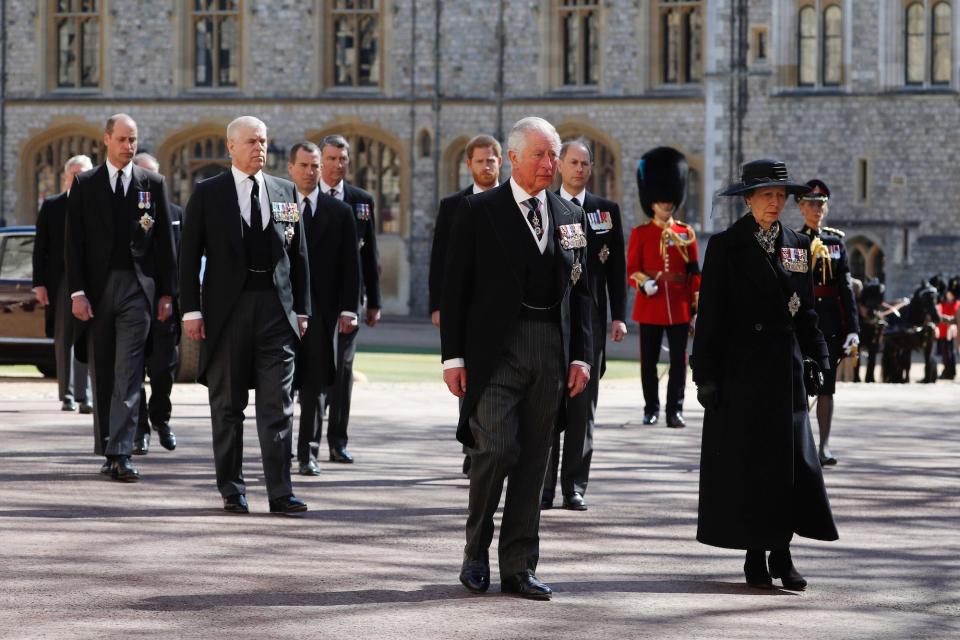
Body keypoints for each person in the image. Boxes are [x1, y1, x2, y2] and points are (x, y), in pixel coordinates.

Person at [441, 116, 593, 600]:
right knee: (497, 449)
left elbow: (583, 292)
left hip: (551, 349)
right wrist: (453, 358)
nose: (551, 165)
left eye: (554, 156)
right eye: (541, 156)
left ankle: (520, 566)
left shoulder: (570, 217)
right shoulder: (478, 211)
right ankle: (475, 552)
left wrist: (582, 357)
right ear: (513, 159)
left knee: (534, 460)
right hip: (495, 351)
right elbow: (456, 288)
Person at [692, 159, 837, 591]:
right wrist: (706, 376)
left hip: (786, 369)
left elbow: (806, 309)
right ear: (749, 199)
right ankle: (756, 553)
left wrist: (819, 357)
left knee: (790, 466)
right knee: (750, 466)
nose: (775, 203)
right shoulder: (726, 246)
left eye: (781, 196)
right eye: (766, 196)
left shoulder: (796, 244)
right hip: (742, 372)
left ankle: (783, 552)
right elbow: (711, 316)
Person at [179, 116, 310, 514]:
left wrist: (301, 309)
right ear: (230, 146)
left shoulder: (285, 190)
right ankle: (233, 490)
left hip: (275, 310)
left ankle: (280, 492)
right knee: (228, 405)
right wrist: (191, 310)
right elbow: (188, 257)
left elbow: (298, 255)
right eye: (252, 141)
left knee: (279, 404)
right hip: (227, 312)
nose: (260, 148)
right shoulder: (208, 193)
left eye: (264, 141)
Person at [64, 114, 178, 482]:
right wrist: (78, 292)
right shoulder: (85, 183)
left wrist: (166, 293)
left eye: (134, 140)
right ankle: (107, 446)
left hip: (137, 288)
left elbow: (164, 244)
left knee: (129, 372)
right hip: (97, 291)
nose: (129, 146)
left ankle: (122, 451)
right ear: (107, 140)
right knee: (103, 369)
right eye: (123, 139)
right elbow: (74, 244)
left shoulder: (152, 183)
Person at [542, 138, 626, 511]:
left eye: (585, 164)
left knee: (582, 406)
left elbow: (617, 270)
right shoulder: (545, 205)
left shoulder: (605, 212)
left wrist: (619, 316)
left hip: (589, 321)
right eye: (573, 162)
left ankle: (574, 485)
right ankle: (542, 487)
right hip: (551, 318)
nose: (579, 169)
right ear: (560, 165)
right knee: (545, 406)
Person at [428, 134, 503, 477]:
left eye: (491, 160)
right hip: (468, 309)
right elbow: (441, 259)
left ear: (500, 162)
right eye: (480, 160)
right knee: (468, 381)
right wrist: (438, 305)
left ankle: (495, 446)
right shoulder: (453, 206)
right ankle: (472, 446)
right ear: (468, 165)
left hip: (504, 308)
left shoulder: (513, 202)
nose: (486, 166)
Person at [287, 141, 360, 476]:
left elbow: (351, 265)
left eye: (315, 166)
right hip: (285, 310)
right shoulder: (282, 207)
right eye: (303, 166)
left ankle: (308, 452)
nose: (310, 172)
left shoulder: (340, 212)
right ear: (290, 168)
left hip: (323, 311)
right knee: (283, 384)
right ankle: (281, 448)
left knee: (316, 385)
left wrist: (349, 308)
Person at [318, 134, 381, 464]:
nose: (338, 164)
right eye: (331, 159)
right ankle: (308, 443)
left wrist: (374, 302)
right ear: (321, 160)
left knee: (343, 371)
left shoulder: (361, 201)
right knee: (315, 370)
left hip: (348, 300)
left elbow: (369, 254)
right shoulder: (304, 197)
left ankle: (337, 442)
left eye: (343, 159)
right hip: (313, 300)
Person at [627, 147, 700, 428]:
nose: (666, 204)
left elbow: (694, 272)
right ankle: (651, 408)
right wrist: (645, 284)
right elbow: (632, 269)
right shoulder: (641, 233)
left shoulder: (686, 233)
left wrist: (694, 306)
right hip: (650, 305)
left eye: (670, 200)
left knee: (680, 364)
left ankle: (675, 410)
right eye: (660, 200)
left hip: (680, 306)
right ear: (651, 201)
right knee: (649, 362)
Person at [797, 179, 860, 465]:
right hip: (802, 321)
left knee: (826, 386)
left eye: (821, 204)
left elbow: (845, 289)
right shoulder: (794, 241)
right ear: (800, 207)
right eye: (810, 203)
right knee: (797, 385)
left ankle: (823, 446)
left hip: (830, 325)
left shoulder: (835, 243)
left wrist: (853, 330)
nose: (816, 209)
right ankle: (799, 445)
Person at [33, 154, 93, 414]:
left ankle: (87, 395)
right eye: (75, 174)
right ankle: (67, 395)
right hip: (62, 281)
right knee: (65, 338)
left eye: (85, 174)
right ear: (67, 176)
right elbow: (40, 249)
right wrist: (39, 284)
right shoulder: (53, 206)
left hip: (93, 280)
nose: (79, 178)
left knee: (90, 338)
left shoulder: (100, 205)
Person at [131, 152, 181, 455]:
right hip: (136, 302)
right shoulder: (127, 214)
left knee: (163, 370)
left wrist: (178, 300)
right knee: (134, 369)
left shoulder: (176, 213)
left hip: (166, 306)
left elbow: (184, 260)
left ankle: (160, 418)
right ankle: (139, 429)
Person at [936, 288, 957, 379]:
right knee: (945, 353)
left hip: (953, 332)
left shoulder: (957, 304)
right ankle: (947, 371)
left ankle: (951, 372)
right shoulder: (943, 304)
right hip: (943, 332)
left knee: (951, 353)